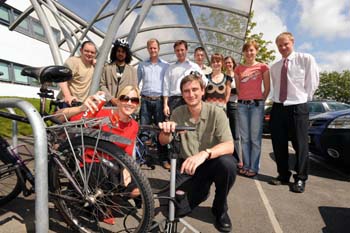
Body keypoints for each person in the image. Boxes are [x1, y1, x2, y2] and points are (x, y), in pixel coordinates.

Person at [158, 73, 236, 233]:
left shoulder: (217, 112)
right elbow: (163, 141)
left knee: (228, 165)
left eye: (195, 89)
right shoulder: (178, 113)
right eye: (186, 91)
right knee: (170, 207)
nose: (191, 94)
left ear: (202, 91)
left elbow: (229, 146)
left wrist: (204, 154)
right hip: (188, 168)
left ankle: (220, 208)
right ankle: (201, 191)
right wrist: (166, 131)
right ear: (182, 94)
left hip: (212, 162)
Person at [56, 85, 141, 224]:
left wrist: (127, 169)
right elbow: (61, 117)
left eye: (134, 100)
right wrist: (82, 108)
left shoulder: (134, 125)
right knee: (111, 176)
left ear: (138, 104)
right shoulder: (103, 114)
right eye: (125, 98)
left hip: (114, 165)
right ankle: (99, 204)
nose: (129, 103)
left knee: (137, 191)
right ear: (118, 100)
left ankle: (106, 201)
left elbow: (128, 150)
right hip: (92, 164)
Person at [269, 32, 319, 193]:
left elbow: (312, 81)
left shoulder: (306, 59)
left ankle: (300, 178)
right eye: (280, 46)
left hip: (298, 106)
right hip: (278, 107)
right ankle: (283, 175)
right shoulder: (275, 66)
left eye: (285, 44)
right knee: (279, 144)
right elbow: (276, 85)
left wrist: (303, 98)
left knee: (300, 144)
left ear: (292, 42)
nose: (283, 48)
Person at [234, 40, 270, 178]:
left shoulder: (263, 67)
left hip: (256, 105)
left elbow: (267, 88)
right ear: (243, 52)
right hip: (242, 105)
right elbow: (238, 88)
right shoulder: (238, 69)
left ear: (256, 51)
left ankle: (254, 167)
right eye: (246, 50)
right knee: (245, 138)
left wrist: (260, 102)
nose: (249, 53)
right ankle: (246, 165)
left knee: (255, 138)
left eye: (252, 50)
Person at [137, 38, 171, 169]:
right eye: (150, 48)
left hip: (158, 100)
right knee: (144, 130)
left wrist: (165, 104)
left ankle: (163, 159)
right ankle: (142, 157)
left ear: (159, 49)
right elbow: (137, 83)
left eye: (155, 48)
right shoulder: (142, 65)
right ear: (148, 49)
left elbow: (167, 85)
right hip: (145, 100)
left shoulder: (165, 66)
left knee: (161, 130)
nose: (153, 50)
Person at [163, 40, 205, 118]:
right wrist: (165, 105)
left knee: (190, 123)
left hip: (190, 98)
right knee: (174, 125)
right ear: (175, 52)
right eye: (177, 50)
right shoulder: (170, 68)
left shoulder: (194, 66)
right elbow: (166, 87)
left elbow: (204, 82)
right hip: (174, 101)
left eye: (182, 50)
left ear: (186, 50)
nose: (180, 52)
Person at [57, 41, 97, 107]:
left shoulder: (94, 66)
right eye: (86, 51)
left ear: (95, 54)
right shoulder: (73, 61)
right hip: (68, 102)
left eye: (92, 52)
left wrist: (96, 64)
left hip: (81, 103)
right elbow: (61, 78)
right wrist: (68, 96)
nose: (89, 54)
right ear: (81, 50)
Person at [100, 38, 137, 106]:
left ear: (126, 54)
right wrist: (111, 98)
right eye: (118, 51)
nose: (120, 53)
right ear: (115, 52)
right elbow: (102, 85)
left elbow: (134, 88)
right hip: (109, 104)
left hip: (125, 105)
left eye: (123, 52)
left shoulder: (132, 71)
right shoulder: (107, 68)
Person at [224, 56, 242, 169]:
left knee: (235, 133)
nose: (228, 64)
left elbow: (240, 91)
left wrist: (231, 92)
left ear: (233, 63)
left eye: (230, 62)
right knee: (225, 132)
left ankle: (238, 158)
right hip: (224, 106)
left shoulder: (237, 75)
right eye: (226, 63)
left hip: (234, 105)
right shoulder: (223, 76)